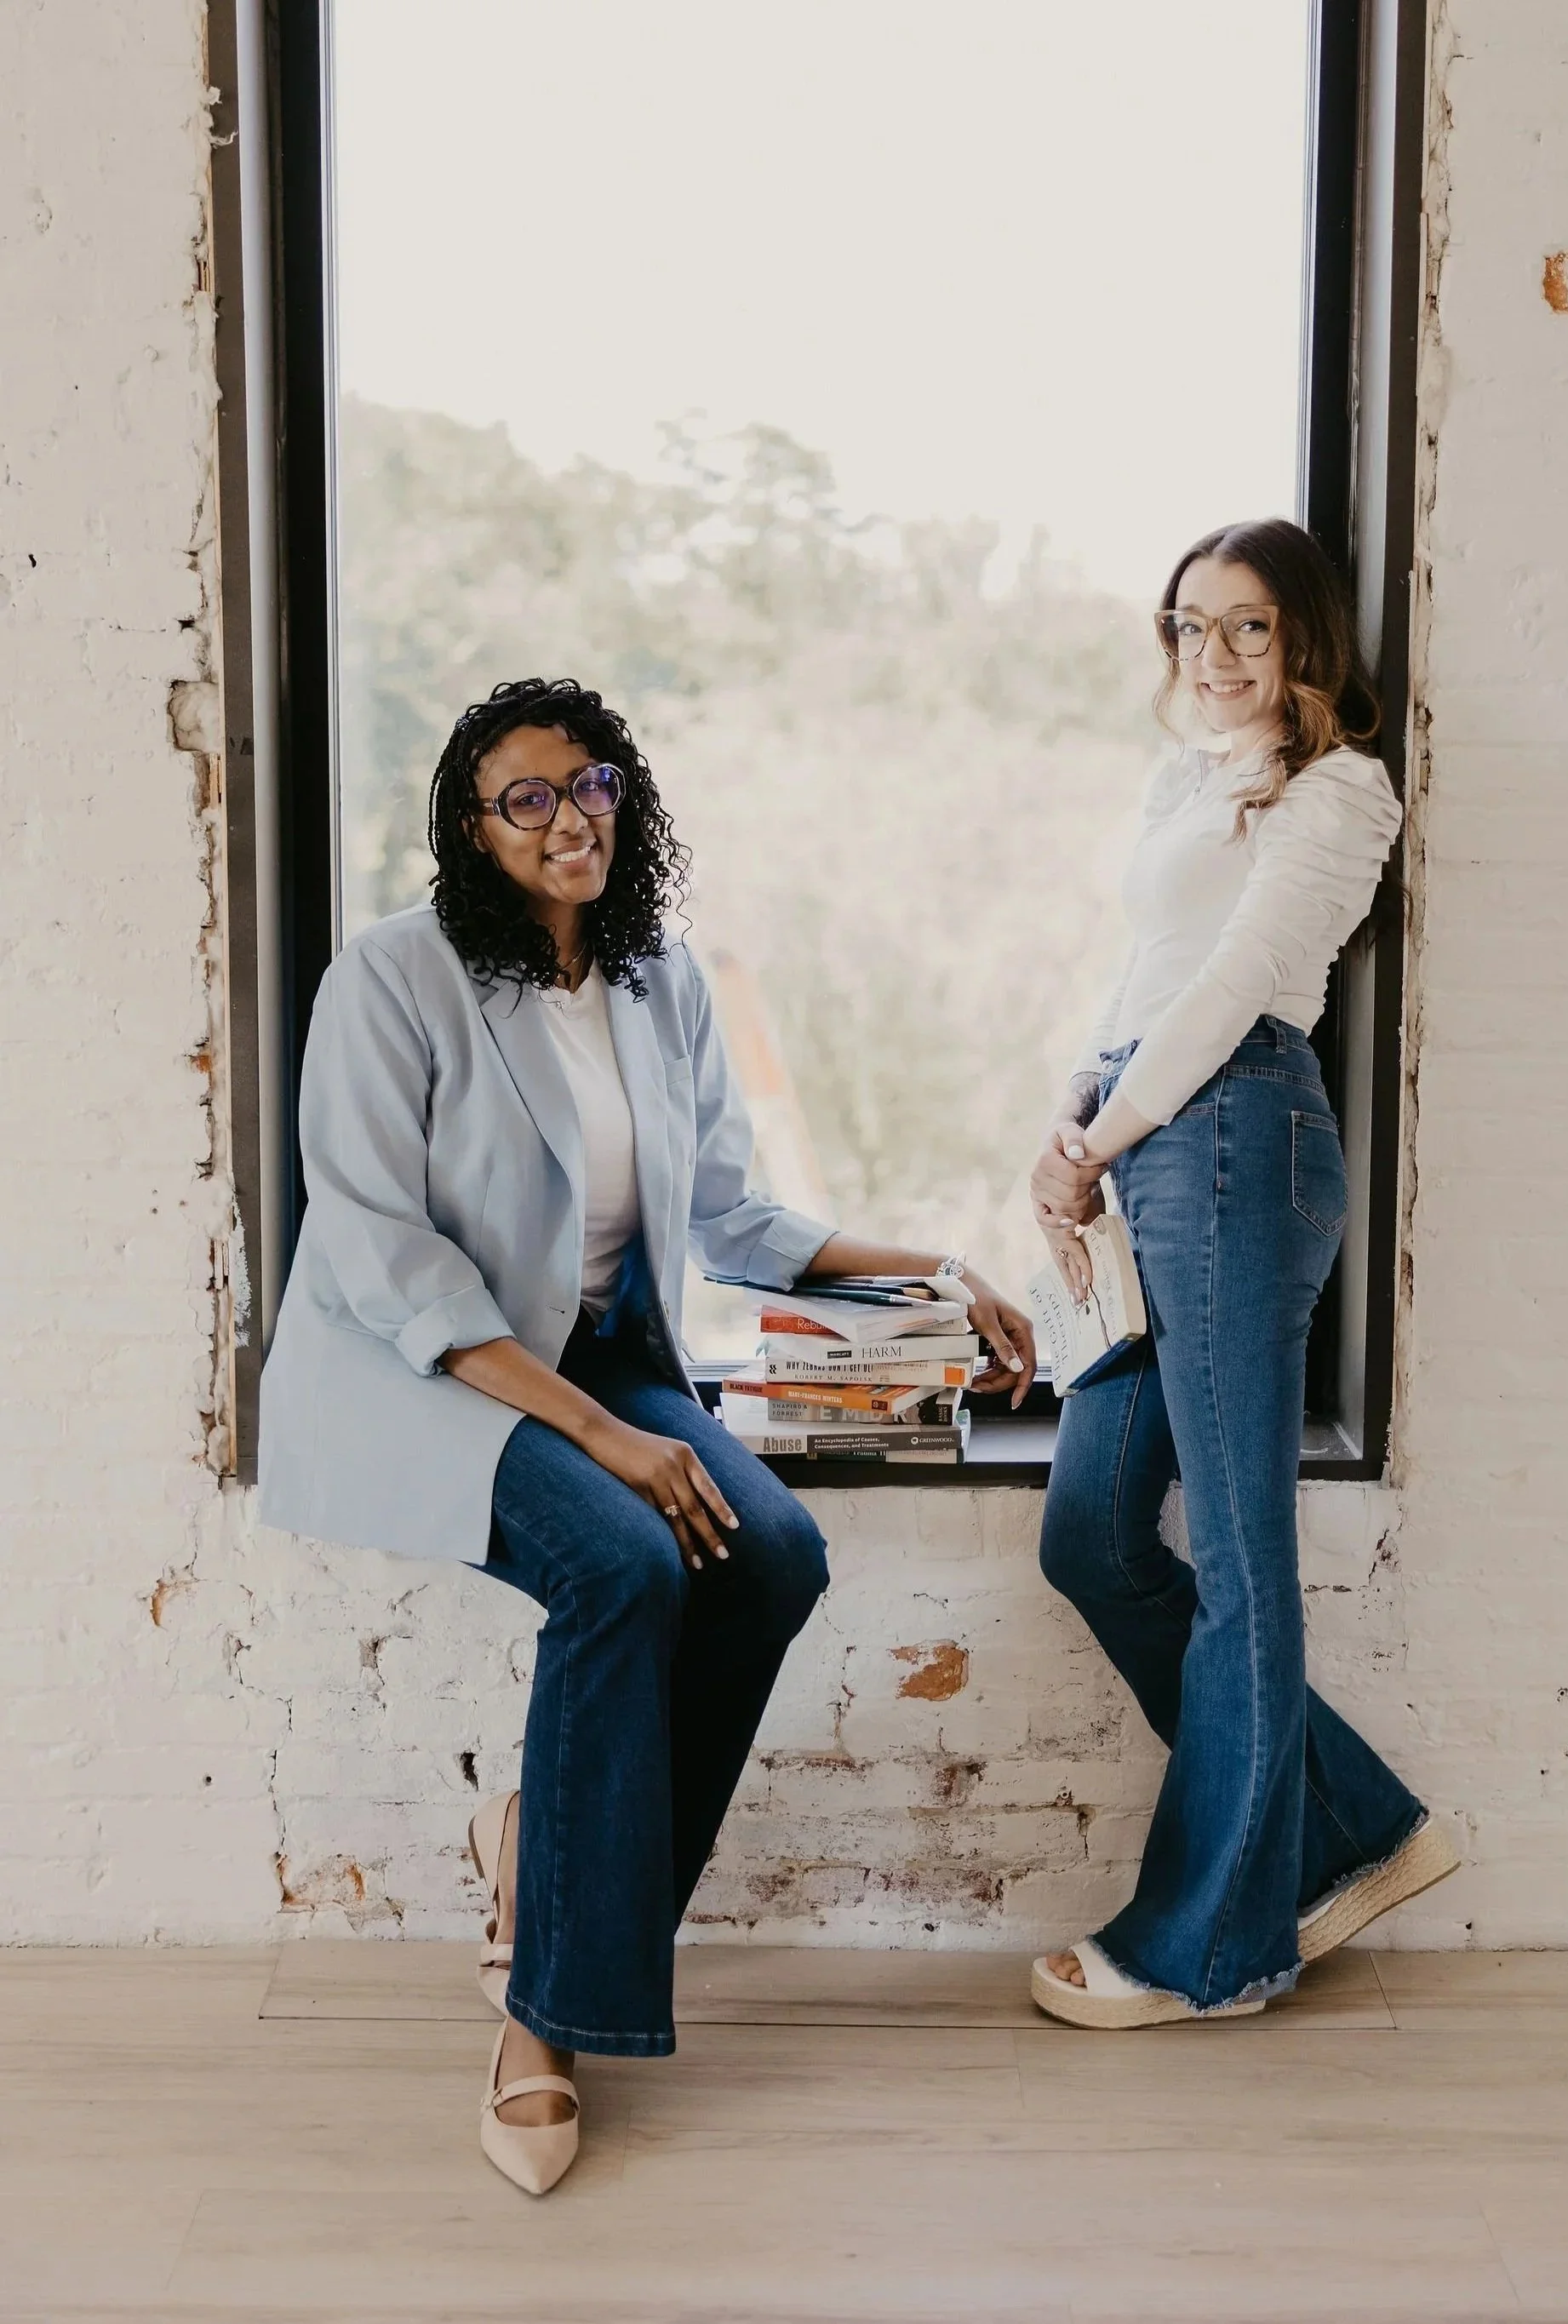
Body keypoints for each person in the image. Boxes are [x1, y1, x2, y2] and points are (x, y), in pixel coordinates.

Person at [260, 677, 1036, 2189]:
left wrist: (934, 1266)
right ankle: (540, 2022)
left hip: (600, 1350)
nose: (569, 818)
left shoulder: (659, 977)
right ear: (473, 828)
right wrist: (606, 1441)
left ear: (627, 796)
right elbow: (384, 1254)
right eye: (527, 797)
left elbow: (732, 1214)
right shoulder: (392, 979)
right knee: (621, 1565)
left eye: (592, 784)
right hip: (428, 1368)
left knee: (774, 1556)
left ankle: (540, 1872)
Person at [1026, 520, 1456, 2030]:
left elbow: (1234, 986)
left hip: (1235, 1139)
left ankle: (1208, 1949)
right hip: (1149, 1136)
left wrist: (1108, 1136)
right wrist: (1068, 1121)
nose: (1210, 654)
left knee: (1239, 1553)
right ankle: (1357, 1828)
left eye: (1248, 626)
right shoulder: (1188, 778)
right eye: (1188, 625)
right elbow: (1143, 974)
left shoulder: (1340, 791)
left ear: (1306, 639)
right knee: (1092, 1532)